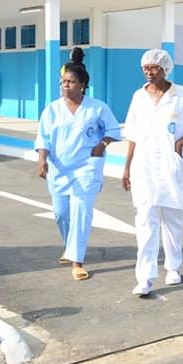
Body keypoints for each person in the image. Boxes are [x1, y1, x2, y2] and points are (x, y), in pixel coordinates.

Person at [122, 48, 183, 297]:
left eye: (154, 68)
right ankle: (145, 277)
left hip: (171, 165)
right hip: (144, 166)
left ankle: (173, 267)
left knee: (172, 219)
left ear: (165, 69)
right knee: (145, 221)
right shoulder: (138, 97)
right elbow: (133, 134)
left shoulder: (181, 95)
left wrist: (181, 141)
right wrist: (126, 166)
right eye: (145, 68)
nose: (149, 72)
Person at [35, 60, 121, 281]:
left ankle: (77, 261)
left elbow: (112, 129)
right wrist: (42, 159)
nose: (65, 86)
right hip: (59, 168)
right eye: (63, 82)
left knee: (81, 211)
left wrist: (102, 145)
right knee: (61, 213)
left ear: (82, 85)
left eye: (71, 82)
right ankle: (70, 247)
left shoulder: (97, 107)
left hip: (87, 168)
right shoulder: (52, 109)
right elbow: (43, 137)